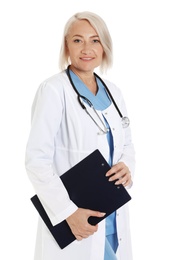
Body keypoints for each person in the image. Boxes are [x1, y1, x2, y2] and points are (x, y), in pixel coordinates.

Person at [25, 11, 135, 260]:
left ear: (104, 46)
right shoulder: (53, 90)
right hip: (75, 219)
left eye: (95, 40)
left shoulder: (114, 92)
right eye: (77, 40)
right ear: (66, 46)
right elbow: (36, 160)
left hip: (112, 219)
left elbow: (127, 144)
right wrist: (67, 212)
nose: (87, 48)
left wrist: (127, 166)